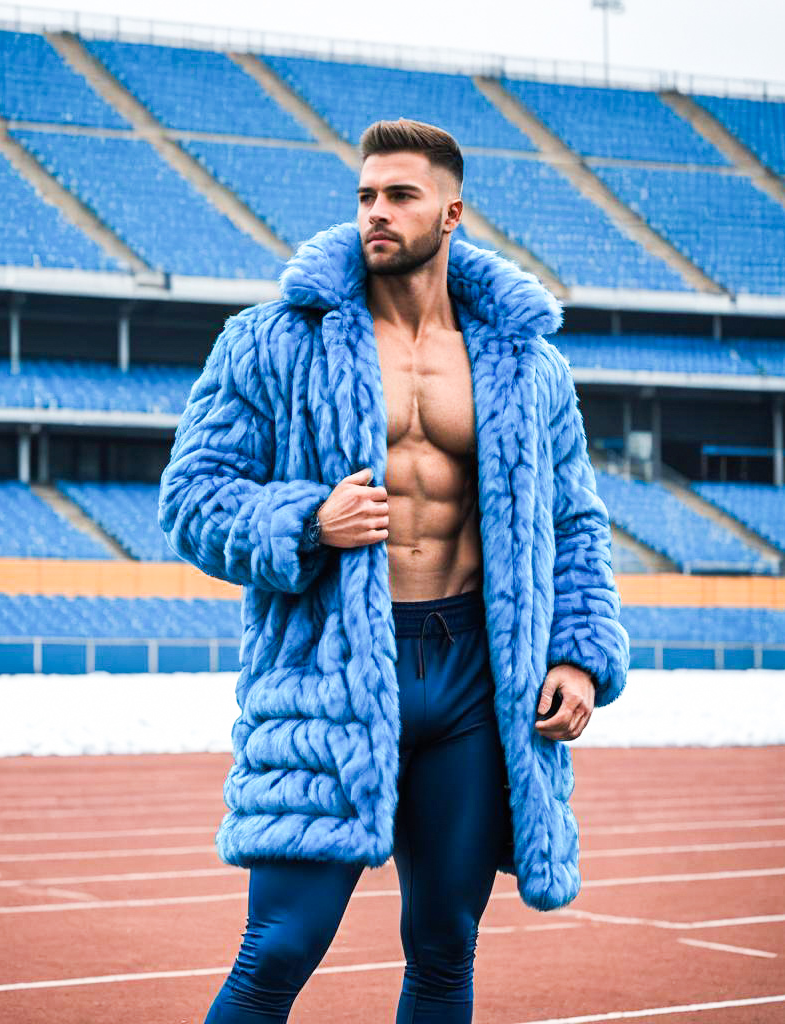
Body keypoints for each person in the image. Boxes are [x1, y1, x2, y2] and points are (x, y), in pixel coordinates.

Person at [158, 117, 629, 1023]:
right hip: (327, 676)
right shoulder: (274, 341)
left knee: (446, 944)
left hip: (476, 678)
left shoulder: (527, 365)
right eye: (366, 195)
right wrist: (305, 520)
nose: (377, 212)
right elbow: (191, 497)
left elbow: (575, 521)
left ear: (452, 212)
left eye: (400, 195)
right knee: (278, 948)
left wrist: (577, 653)